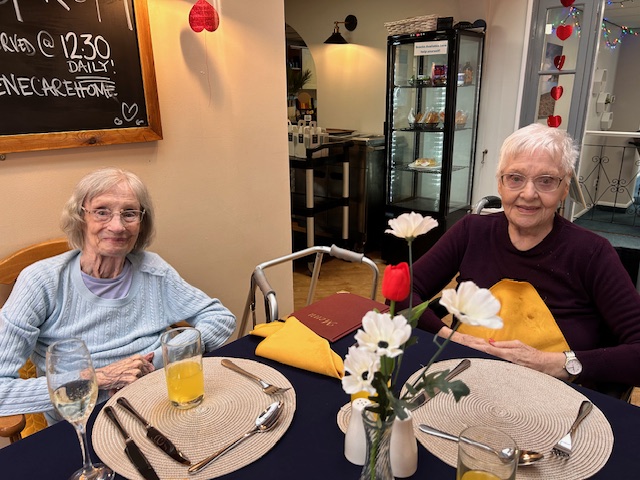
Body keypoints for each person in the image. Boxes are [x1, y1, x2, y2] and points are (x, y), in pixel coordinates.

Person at [399, 123, 640, 398]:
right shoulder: (471, 231)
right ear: (500, 184)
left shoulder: (592, 253)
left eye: (546, 180)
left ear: (565, 189)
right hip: (465, 384)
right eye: (515, 178)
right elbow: (402, 294)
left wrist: (559, 364)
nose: (528, 194)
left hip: (552, 400)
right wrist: (454, 338)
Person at [0, 167, 236, 423]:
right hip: (84, 418)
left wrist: (158, 359)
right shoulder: (41, 281)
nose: (117, 225)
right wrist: (99, 378)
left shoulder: (152, 269)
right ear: (81, 217)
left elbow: (220, 318)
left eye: (130, 213)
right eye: (102, 212)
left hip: (160, 402)